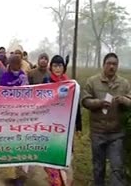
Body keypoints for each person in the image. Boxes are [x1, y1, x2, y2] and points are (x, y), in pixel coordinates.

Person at [82, 53, 130, 186]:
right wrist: (99, 103)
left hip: (117, 133)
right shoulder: (92, 81)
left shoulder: (124, 83)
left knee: (117, 167)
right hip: (98, 132)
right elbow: (85, 101)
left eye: (114, 64)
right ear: (103, 65)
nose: (111, 66)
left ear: (117, 66)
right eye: (109, 63)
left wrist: (124, 100)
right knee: (98, 167)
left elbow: (130, 101)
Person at [43, 55, 82, 186]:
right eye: (55, 65)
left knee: (66, 159)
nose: (57, 68)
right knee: (51, 160)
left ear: (64, 67)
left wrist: (79, 125)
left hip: (66, 129)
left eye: (60, 66)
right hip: (49, 128)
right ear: (51, 67)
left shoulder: (71, 84)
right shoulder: (46, 81)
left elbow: (76, 105)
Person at [0, 55, 29, 186]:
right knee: (10, 145)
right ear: (10, 64)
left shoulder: (23, 76)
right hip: (8, 116)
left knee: (20, 145)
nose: (16, 65)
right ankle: (10, 174)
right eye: (13, 63)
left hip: (21, 116)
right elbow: (0, 93)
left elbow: (28, 94)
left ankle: (20, 174)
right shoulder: (5, 77)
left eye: (18, 63)